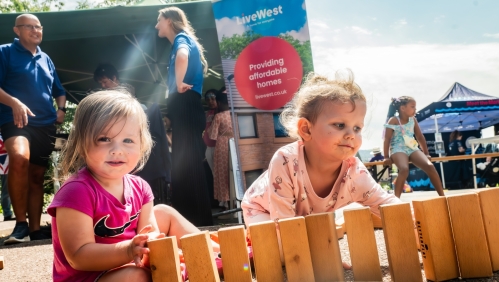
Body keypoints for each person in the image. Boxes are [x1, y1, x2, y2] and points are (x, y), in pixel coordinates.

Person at [47, 91, 209, 282]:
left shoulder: (140, 187)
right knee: (137, 276)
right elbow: (78, 256)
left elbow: (149, 234)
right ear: (81, 142)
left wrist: (157, 247)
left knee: (164, 212)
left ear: (142, 145)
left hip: (131, 262)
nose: (117, 150)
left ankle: (213, 253)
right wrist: (128, 250)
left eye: (128, 140)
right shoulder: (76, 191)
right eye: (104, 139)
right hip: (90, 276)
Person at [241, 72, 402, 262]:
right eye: (340, 125)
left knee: (313, 242)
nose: (351, 134)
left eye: (357, 128)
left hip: (306, 217)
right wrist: (318, 257)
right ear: (307, 130)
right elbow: (284, 224)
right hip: (264, 210)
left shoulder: (354, 172)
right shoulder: (285, 160)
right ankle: (245, 248)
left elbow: (385, 204)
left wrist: (416, 219)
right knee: (281, 255)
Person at [0, 14, 66, 244]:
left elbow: (59, 89)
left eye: (39, 27)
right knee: (19, 158)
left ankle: (35, 229)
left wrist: (62, 110)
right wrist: (15, 102)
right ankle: (20, 225)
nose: (36, 30)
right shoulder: (4, 52)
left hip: (45, 123)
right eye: (30, 27)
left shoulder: (46, 59)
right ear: (17, 30)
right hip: (15, 119)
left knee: (37, 176)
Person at [155, 7, 212, 226]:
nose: (156, 25)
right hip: (185, 106)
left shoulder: (181, 38)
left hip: (186, 103)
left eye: (158, 20)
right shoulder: (184, 38)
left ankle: (195, 221)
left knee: (187, 165)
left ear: (169, 20)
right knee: (185, 164)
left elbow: (182, 56)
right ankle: (189, 220)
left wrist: (178, 84)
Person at [383, 96, 445, 198]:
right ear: (402, 108)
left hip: (412, 147)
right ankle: (395, 200)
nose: (415, 110)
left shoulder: (413, 120)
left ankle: (442, 196)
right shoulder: (393, 120)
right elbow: (387, 139)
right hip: (398, 148)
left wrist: (426, 153)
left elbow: (420, 137)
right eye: (412, 107)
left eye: (415, 107)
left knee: (430, 166)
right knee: (404, 169)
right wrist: (386, 156)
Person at [209, 91, 233, 211]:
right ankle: (235, 199)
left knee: (222, 173)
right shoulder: (235, 114)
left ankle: (226, 202)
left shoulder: (218, 116)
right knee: (233, 173)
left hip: (222, 145)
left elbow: (212, 135)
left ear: (218, 102)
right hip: (234, 145)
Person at [203, 89, 218, 174]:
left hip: (217, 147)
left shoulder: (220, 111)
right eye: (208, 99)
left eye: (213, 98)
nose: (210, 101)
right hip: (208, 148)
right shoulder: (207, 113)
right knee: (214, 174)